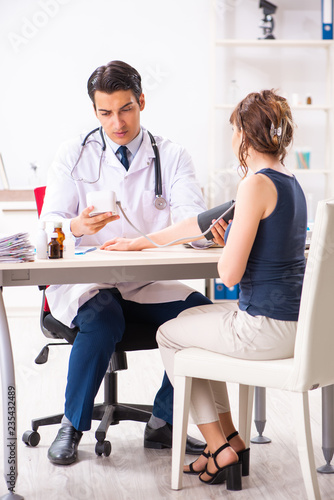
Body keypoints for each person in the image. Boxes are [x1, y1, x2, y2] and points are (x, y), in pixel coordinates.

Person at [102, 89, 307, 488]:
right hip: (295, 328)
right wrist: (141, 242)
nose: (232, 138)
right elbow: (197, 223)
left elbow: (229, 275)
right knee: (192, 318)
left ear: (244, 136)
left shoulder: (254, 185)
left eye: (234, 130)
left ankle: (218, 446)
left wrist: (228, 243)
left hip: (263, 329)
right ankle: (231, 438)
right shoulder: (290, 182)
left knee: (170, 335)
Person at [41, 60, 212, 466]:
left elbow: (193, 219)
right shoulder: (74, 154)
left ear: (142, 102)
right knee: (103, 318)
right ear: (95, 111)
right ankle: (72, 424)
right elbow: (47, 225)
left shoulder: (171, 155)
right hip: (88, 284)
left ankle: (163, 422)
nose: (117, 122)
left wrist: (144, 243)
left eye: (126, 109)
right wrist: (76, 225)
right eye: (105, 112)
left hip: (145, 281)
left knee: (202, 317)